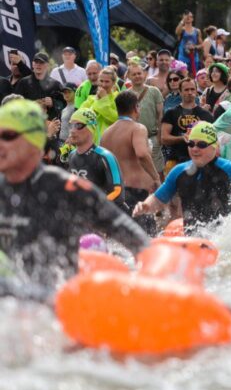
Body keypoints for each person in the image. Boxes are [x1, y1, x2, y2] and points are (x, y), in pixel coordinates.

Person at [0, 100, 149, 280]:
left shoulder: (64, 188)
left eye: (7, 136)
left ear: (34, 141)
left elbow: (139, 243)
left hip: (51, 299)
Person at [134, 122, 231, 231]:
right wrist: (146, 205)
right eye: (191, 144)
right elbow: (159, 198)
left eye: (201, 144)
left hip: (221, 236)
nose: (195, 149)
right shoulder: (179, 171)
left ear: (214, 147)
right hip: (193, 236)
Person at [101, 91, 162, 233]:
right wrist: (156, 177)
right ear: (136, 107)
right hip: (135, 194)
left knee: (121, 242)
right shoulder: (137, 128)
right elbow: (141, 154)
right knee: (145, 242)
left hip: (115, 193)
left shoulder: (106, 133)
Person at [66, 108, 124, 206]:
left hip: (101, 215)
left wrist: (95, 209)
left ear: (91, 127)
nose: (72, 130)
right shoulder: (71, 156)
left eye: (78, 125)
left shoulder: (105, 157)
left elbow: (117, 192)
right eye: (71, 125)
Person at [160, 77, 214, 173]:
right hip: (176, 161)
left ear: (197, 91)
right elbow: (164, 138)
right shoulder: (171, 113)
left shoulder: (206, 114)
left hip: (200, 162)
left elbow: (213, 140)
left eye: (192, 89)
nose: (190, 92)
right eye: (186, 90)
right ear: (180, 92)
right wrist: (182, 138)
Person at [126, 61, 165, 176]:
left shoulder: (154, 91)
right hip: (134, 139)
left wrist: (159, 137)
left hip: (152, 137)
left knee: (158, 171)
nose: (137, 76)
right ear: (129, 76)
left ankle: (160, 193)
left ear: (144, 74)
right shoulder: (126, 95)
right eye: (134, 74)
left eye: (139, 73)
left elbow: (160, 115)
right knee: (139, 171)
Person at [14, 52, 64, 120]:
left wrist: (53, 103)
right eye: (36, 62)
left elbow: (64, 104)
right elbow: (15, 103)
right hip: (28, 122)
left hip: (48, 125)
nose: (38, 65)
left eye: (41, 63)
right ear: (32, 64)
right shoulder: (23, 82)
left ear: (47, 65)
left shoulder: (55, 84)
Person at [78, 67, 119, 139]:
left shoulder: (118, 98)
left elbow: (115, 118)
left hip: (110, 140)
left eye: (107, 81)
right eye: (101, 81)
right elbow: (80, 117)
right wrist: (97, 100)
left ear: (114, 82)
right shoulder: (90, 99)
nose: (103, 84)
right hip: (90, 141)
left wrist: (103, 99)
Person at [175, 10, 202, 75]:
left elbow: (202, 44)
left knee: (194, 75)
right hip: (183, 57)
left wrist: (195, 47)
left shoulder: (197, 31)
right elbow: (177, 32)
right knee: (182, 75)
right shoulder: (182, 30)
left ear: (192, 18)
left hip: (194, 57)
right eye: (186, 17)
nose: (188, 18)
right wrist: (182, 21)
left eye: (190, 16)